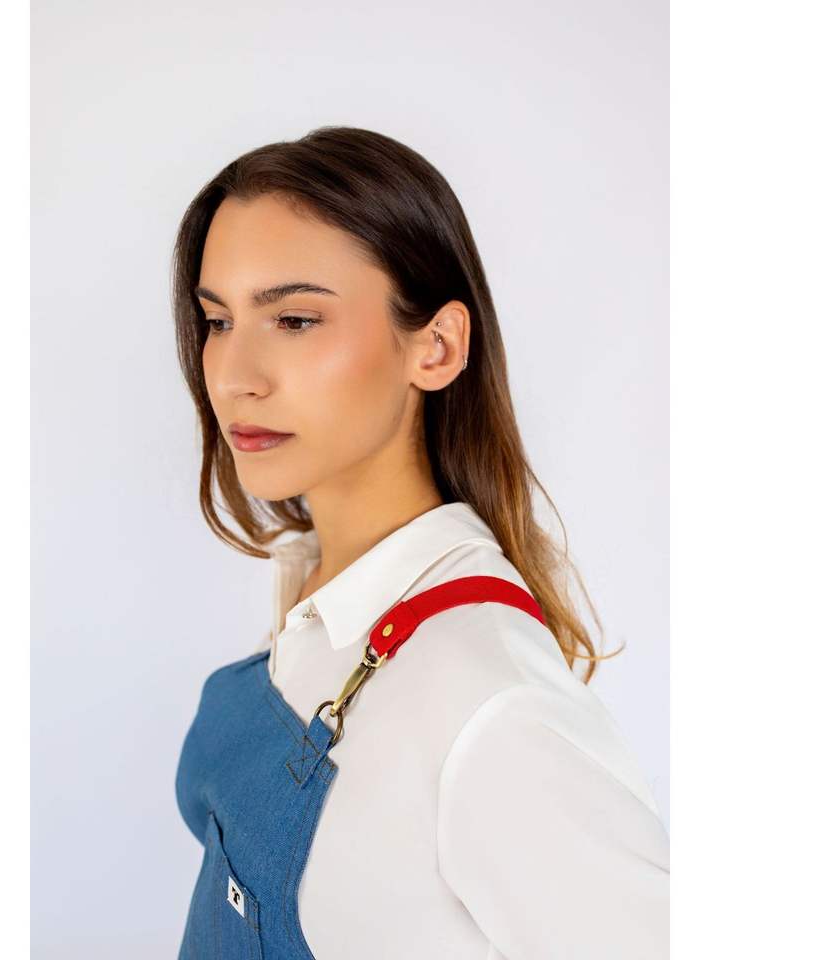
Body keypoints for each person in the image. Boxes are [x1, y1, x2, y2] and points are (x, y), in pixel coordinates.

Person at [170, 126, 670, 959]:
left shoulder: (492, 708)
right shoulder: (318, 592)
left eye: (294, 319)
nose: (233, 375)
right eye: (218, 320)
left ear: (436, 347)